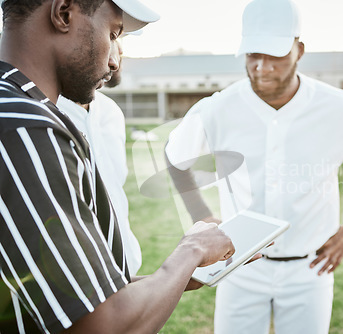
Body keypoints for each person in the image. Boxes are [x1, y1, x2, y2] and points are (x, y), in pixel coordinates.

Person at [0, 1, 235, 333]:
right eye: (112, 33)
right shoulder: (28, 129)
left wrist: (170, 277)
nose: (113, 60)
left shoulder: (14, 108)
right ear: (64, 12)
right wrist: (191, 251)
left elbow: (59, 291)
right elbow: (102, 326)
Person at [165, 0, 343, 333]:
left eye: (275, 54)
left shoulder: (342, 108)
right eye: (252, 54)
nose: (262, 67)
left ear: (299, 50)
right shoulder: (218, 108)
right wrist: (201, 214)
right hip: (238, 267)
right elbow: (175, 156)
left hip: (311, 270)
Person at [56, 38, 142, 275]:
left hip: (127, 272)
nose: (121, 50)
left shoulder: (111, 111)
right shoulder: (45, 113)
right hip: (78, 281)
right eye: (114, 34)